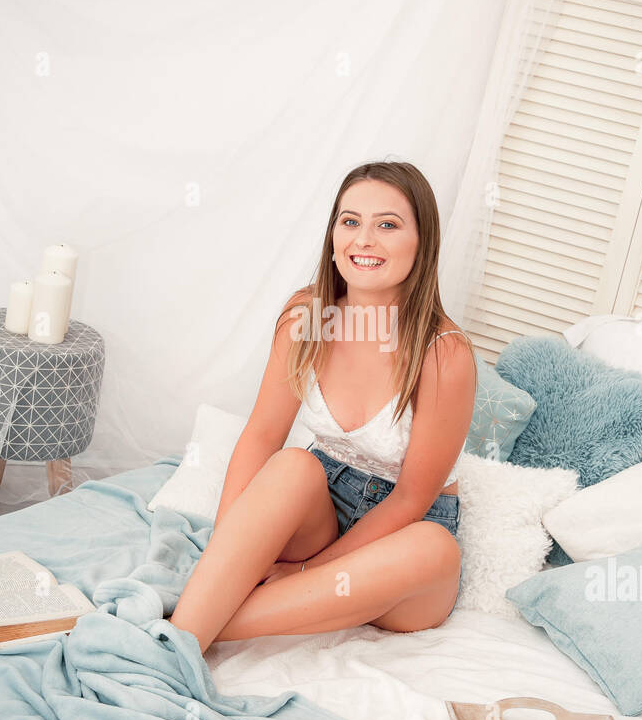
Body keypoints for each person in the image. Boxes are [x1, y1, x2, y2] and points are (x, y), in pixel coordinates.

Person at [170, 159, 477, 650]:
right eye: (350, 221)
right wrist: (225, 550)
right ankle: (196, 618)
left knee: (434, 549)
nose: (364, 239)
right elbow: (261, 436)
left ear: (423, 244)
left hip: (402, 540)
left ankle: (182, 628)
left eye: (388, 225)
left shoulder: (444, 352)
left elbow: (411, 500)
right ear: (333, 236)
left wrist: (305, 571)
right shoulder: (306, 317)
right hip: (321, 510)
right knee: (293, 464)